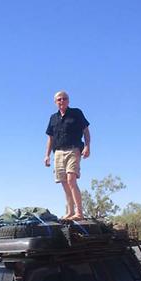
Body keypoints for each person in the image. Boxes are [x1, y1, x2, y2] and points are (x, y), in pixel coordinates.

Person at [44, 90, 91, 220]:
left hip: (73, 150)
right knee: (64, 182)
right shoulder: (53, 118)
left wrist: (87, 146)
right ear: (55, 102)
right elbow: (50, 138)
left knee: (71, 180)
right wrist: (47, 155)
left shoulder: (76, 113)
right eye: (59, 99)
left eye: (64, 98)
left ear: (68, 101)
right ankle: (70, 211)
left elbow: (86, 131)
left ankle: (79, 213)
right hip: (58, 152)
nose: (62, 101)